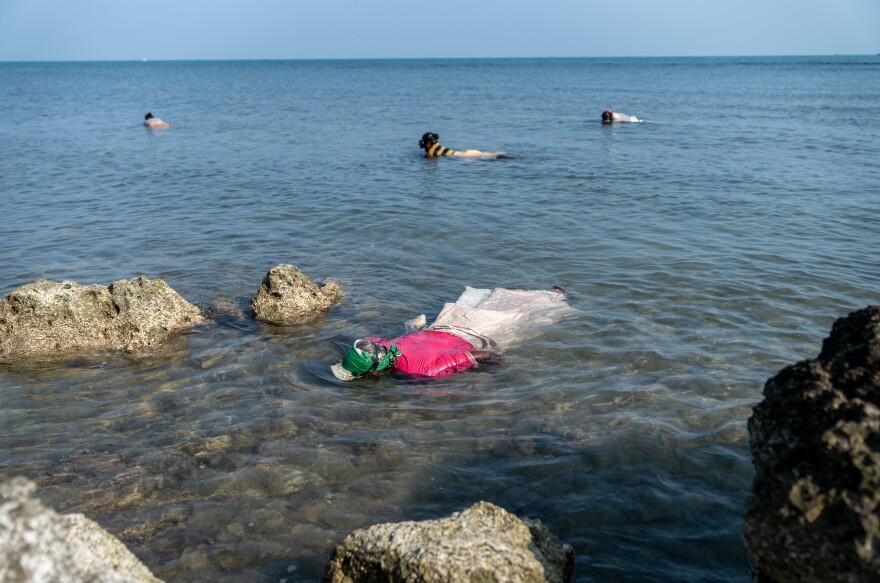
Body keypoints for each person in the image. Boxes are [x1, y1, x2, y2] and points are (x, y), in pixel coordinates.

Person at [330, 286, 572, 381]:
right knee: (496, 299)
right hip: (446, 323)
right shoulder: (378, 344)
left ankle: (556, 295)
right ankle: (552, 292)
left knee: (521, 313)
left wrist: (498, 365)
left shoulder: (423, 371)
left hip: (475, 333)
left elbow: (481, 355)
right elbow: (372, 341)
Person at [419, 132, 505, 159]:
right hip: (468, 153)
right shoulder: (438, 146)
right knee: (494, 155)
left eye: (424, 142)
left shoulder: (432, 151)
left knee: (497, 158)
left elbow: (430, 156)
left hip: (466, 156)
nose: (423, 145)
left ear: (428, 143)